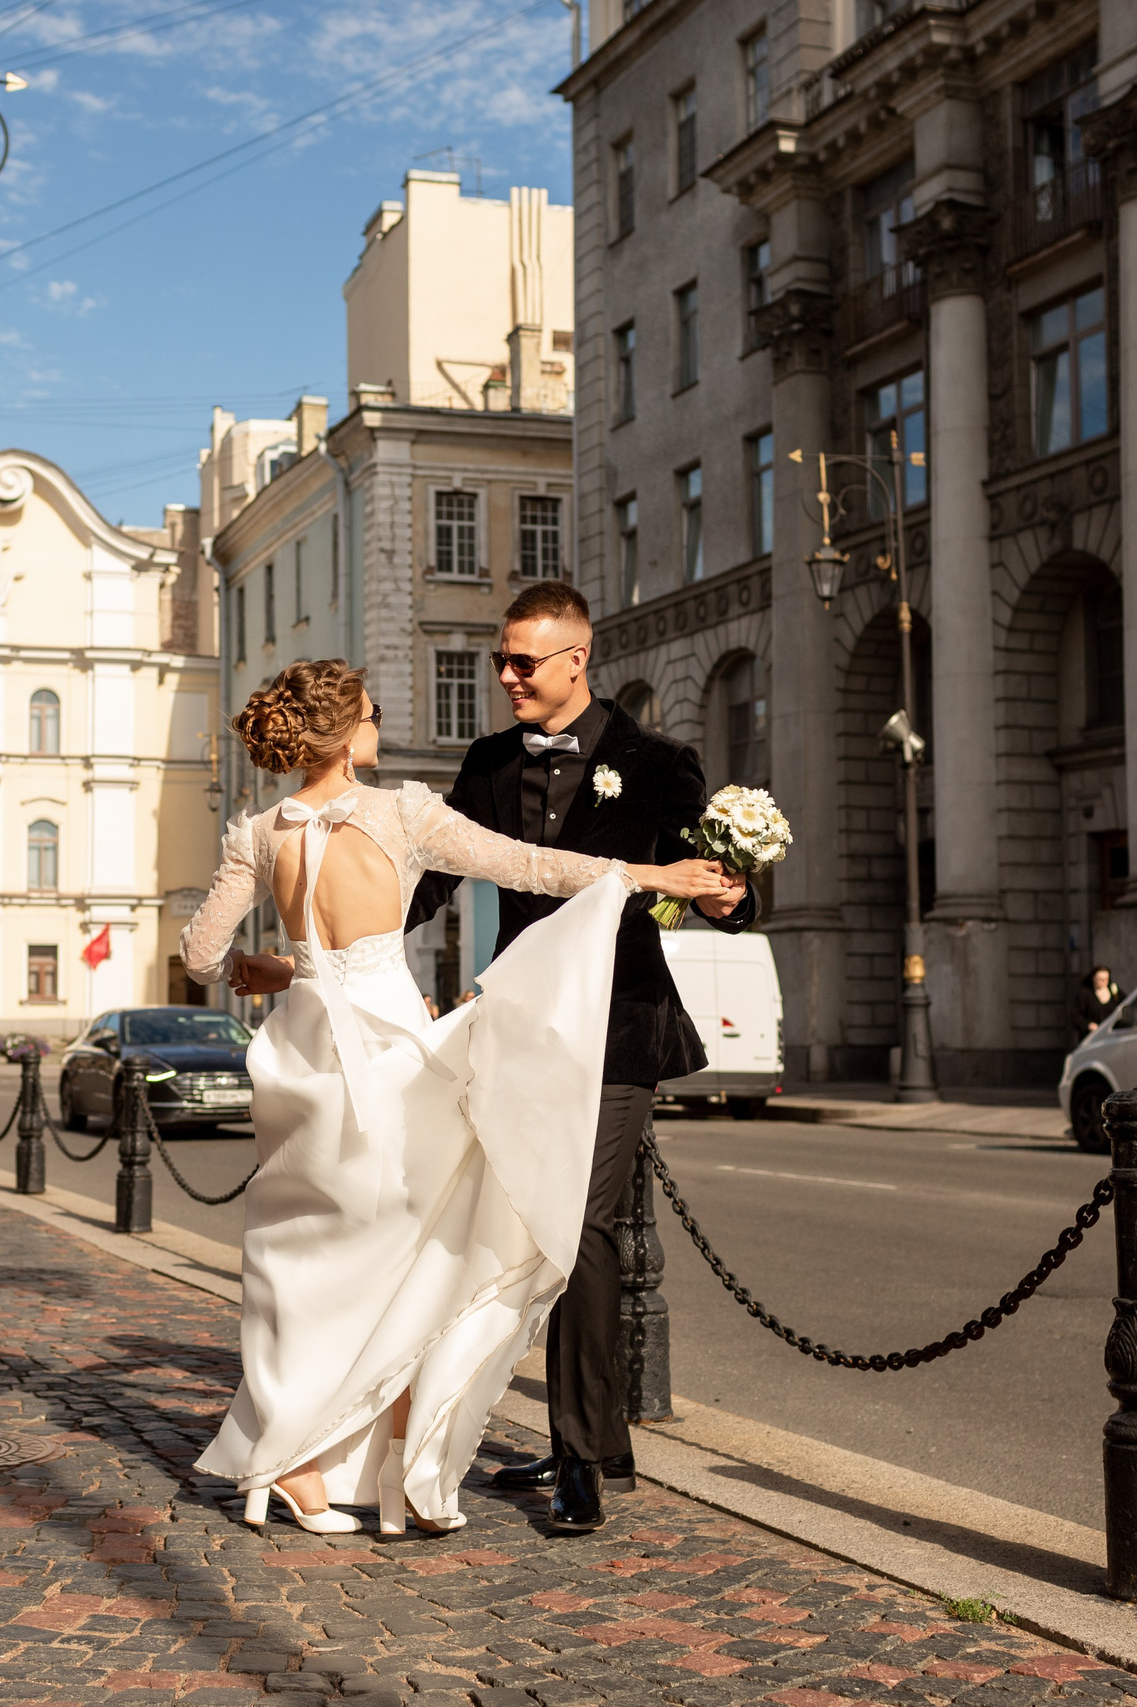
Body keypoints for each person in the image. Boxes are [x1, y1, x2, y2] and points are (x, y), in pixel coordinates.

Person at [180, 659, 732, 1537]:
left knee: (310, 1261)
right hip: (392, 1054)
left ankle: (300, 1465)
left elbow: (202, 952)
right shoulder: (403, 811)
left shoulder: (257, 834)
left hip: (301, 1053)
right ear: (348, 734)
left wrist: (264, 967)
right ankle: (393, 1462)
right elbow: (531, 865)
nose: (379, 722)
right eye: (371, 711)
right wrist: (647, 875)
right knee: (427, 1254)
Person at [406, 579, 754, 1534]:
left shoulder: (657, 761)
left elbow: (719, 879)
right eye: (501, 661)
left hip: (618, 1027)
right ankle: (606, 1439)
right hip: (520, 1027)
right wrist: (350, 954)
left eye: (525, 661)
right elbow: (429, 882)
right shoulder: (483, 764)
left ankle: (579, 1460)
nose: (508, 676)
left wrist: (730, 900)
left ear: (577, 661)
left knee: (580, 1228)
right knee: (524, 1229)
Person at [1069, 965, 1120, 1043]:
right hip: (1092, 1038)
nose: (1104, 982)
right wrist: (1088, 1025)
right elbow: (1076, 1015)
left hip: (1111, 1037)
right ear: (1093, 978)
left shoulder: (1114, 991)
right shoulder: (1085, 994)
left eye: (1106, 979)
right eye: (1100, 979)